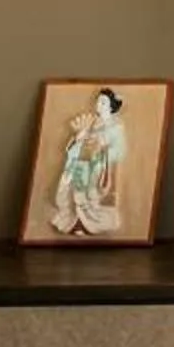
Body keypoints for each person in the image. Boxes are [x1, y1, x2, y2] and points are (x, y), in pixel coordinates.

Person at [48, 87, 130, 237]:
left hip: (100, 165)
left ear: (111, 106)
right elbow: (75, 148)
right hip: (82, 163)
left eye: (103, 102)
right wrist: (78, 138)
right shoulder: (92, 123)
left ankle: (90, 222)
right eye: (98, 102)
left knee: (87, 183)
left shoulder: (116, 126)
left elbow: (119, 150)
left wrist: (101, 148)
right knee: (70, 178)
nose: (99, 105)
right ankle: (76, 221)